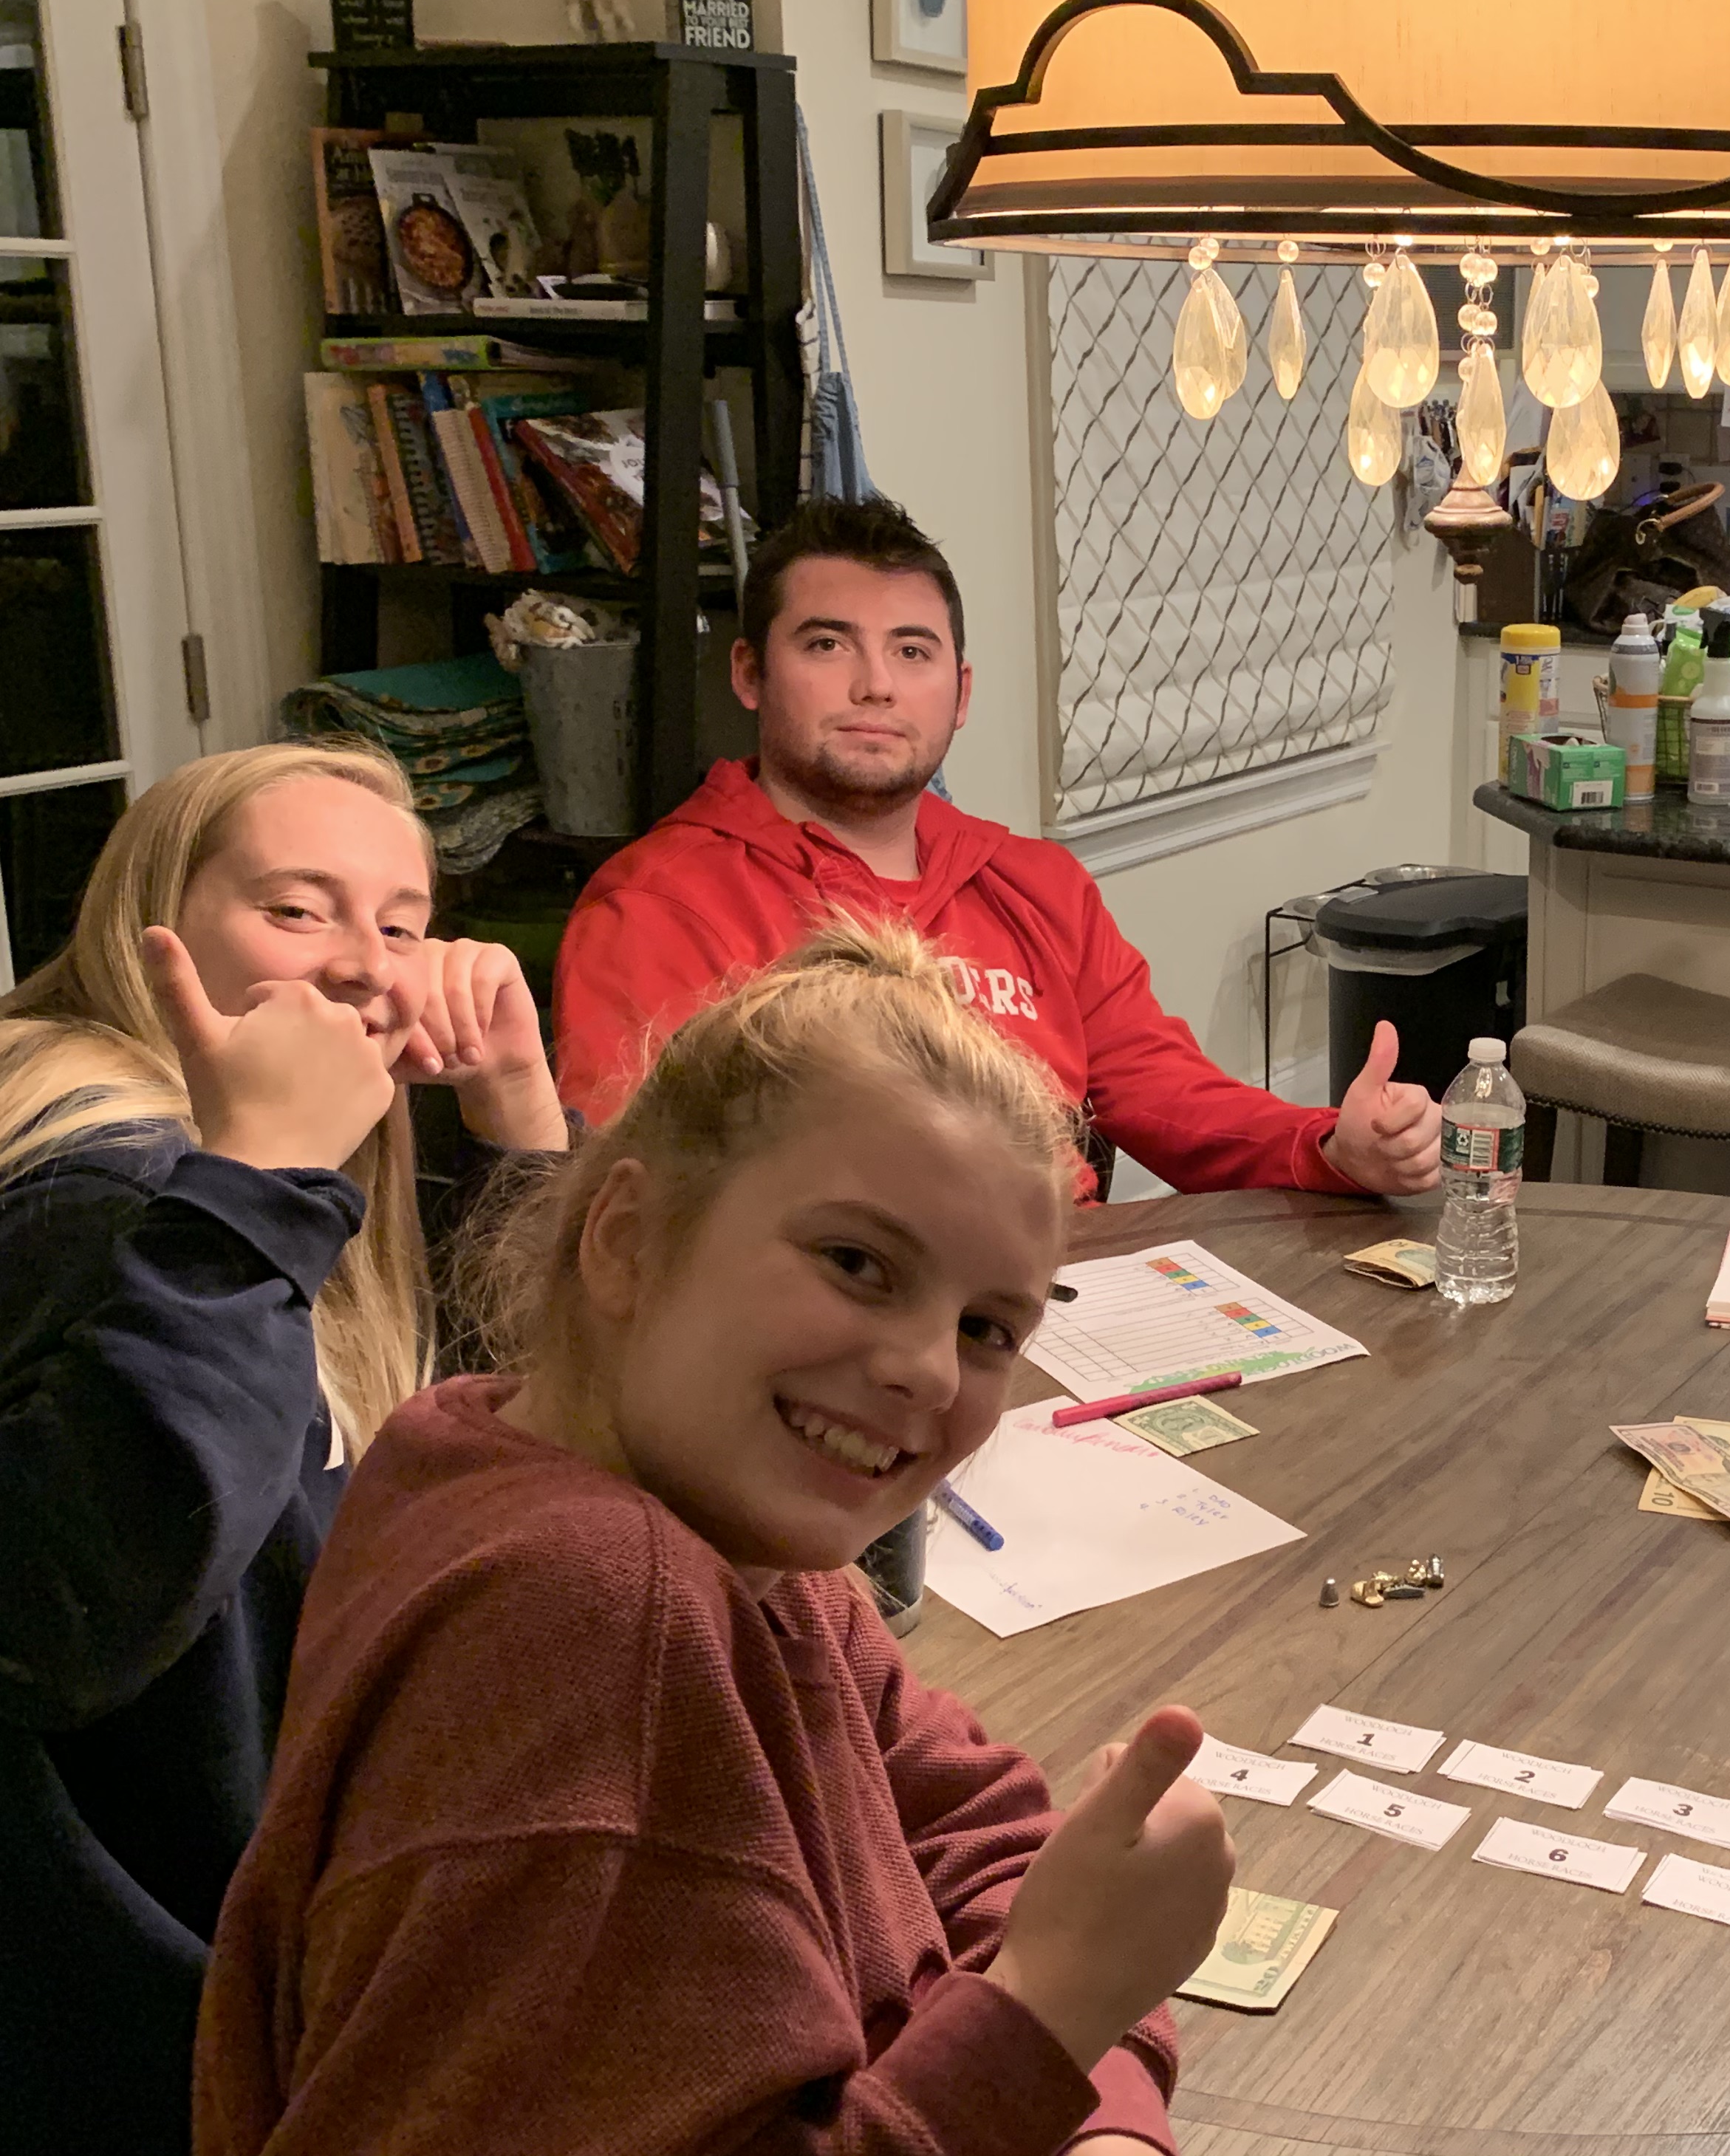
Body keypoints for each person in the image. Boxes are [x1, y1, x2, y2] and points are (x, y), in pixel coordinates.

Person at [196, 921, 1233, 2155]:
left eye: (986, 1328)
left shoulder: (669, 1515)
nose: (924, 1367)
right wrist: (1051, 2011)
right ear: (627, 1239)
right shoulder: (597, 1604)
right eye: (858, 1261)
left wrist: (1102, 2106)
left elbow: (979, 1829)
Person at [0, 742, 567, 2156]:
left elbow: (511, 1433)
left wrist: (516, 1109)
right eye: (297, 909)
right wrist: (255, 1186)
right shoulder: (110, 1188)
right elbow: (70, 1604)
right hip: (155, 2037)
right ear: (153, 926)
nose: (368, 963)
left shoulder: (285, 1164)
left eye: (403, 922)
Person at [549, 494, 1440, 1200]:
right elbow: (639, 1197)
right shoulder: (659, 908)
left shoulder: (1032, 881)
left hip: (1074, 1294)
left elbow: (1164, 1090)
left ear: (961, 692)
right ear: (750, 673)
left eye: (913, 652)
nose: (875, 685)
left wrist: (1330, 1145)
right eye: (827, 645)